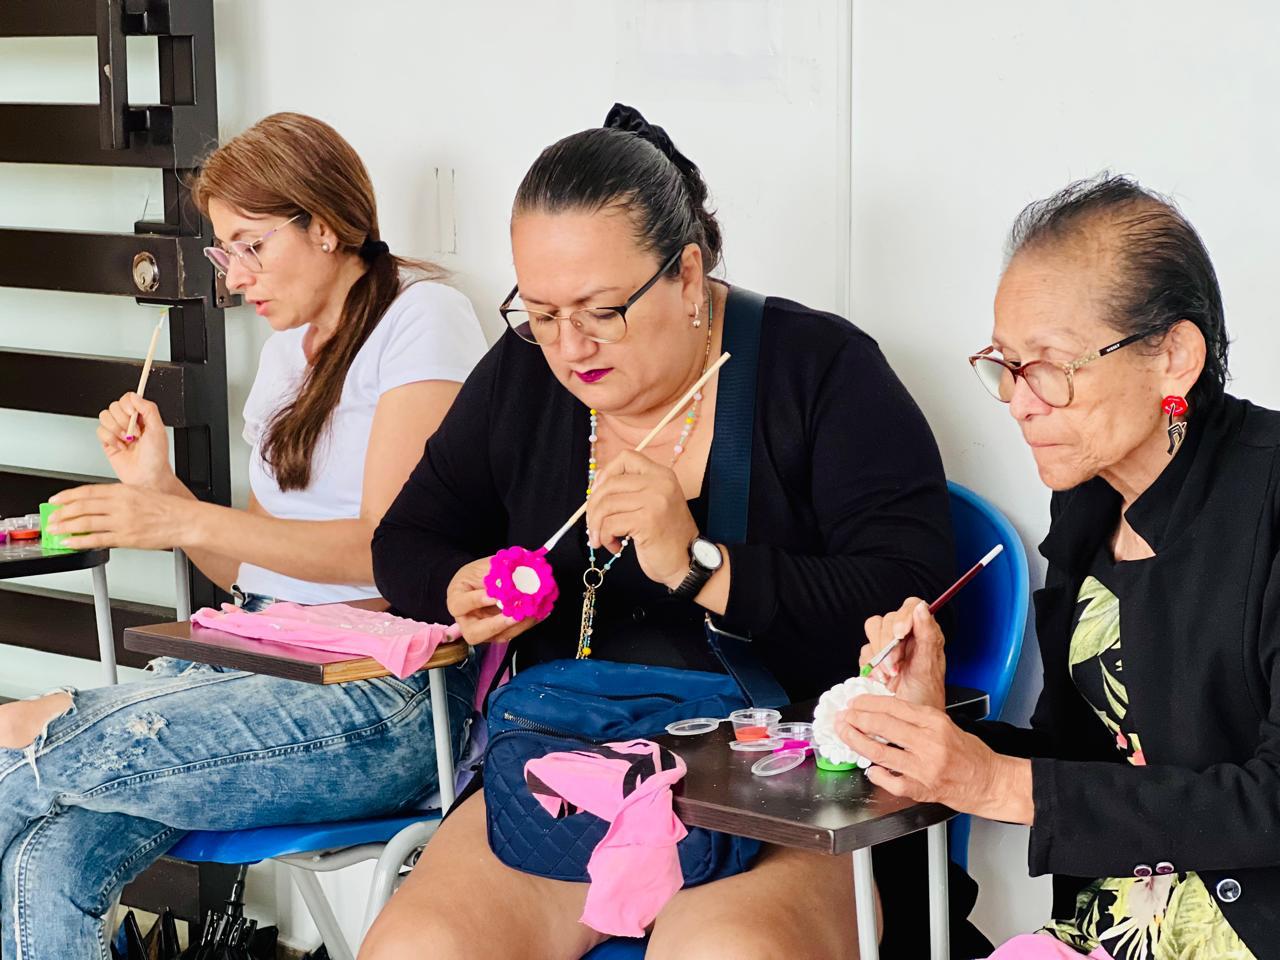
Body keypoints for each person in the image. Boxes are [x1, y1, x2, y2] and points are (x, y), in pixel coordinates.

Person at [360, 104, 962, 960]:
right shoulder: (524, 376)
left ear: (685, 273)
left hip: (782, 790)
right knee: (417, 950)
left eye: (601, 310)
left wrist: (702, 565)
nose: (570, 347)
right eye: (540, 312)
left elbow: (911, 591)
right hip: (574, 770)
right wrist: (460, 586)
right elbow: (407, 540)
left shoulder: (821, 370)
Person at [0, 112, 486, 959]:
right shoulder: (288, 351)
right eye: (227, 253)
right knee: (46, 863)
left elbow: (392, 555)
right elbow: (254, 569)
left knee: (25, 745)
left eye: (253, 245)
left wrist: (180, 517)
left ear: (326, 225)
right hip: (260, 655)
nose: (238, 278)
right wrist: (163, 489)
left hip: (381, 688)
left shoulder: (423, 317)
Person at [843, 175, 1277, 959]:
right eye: (1007, 365)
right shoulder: (1087, 506)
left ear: (1173, 356)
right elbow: (1085, 759)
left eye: (1048, 366)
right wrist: (935, 733)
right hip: (1113, 923)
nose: (1019, 401)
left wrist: (992, 784)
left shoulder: (1269, 499)